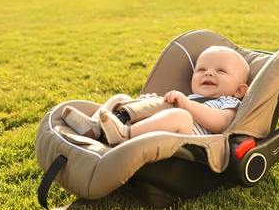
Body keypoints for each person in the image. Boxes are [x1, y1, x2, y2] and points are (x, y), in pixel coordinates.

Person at [63, 46, 249, 147]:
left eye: (221, 71)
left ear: (239, 90)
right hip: (150, 127)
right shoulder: (189, 96)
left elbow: (221, 124)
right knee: (120, 98)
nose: (208, 73)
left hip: (188, 141)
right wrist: (150, 103)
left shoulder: (229, 102)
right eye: (201, 69)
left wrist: (186, 105)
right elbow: (162, 114)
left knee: (181, 116)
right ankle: (94, 127)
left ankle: (124, 136)